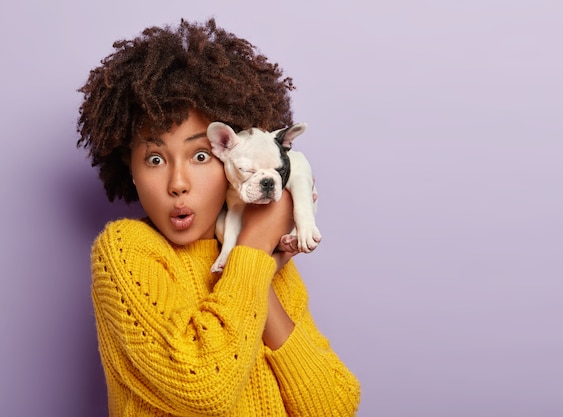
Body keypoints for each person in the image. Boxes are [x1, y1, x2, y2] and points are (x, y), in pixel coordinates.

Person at [76, 18, 360, 417]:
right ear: (131, 171)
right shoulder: (127, 251)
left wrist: (256, 268)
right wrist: (255, 246)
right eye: (155, 159)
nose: (178, 182)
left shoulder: (261, 263)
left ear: (234, 156)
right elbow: (204, 386)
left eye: (200, 156)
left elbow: (334, 406)